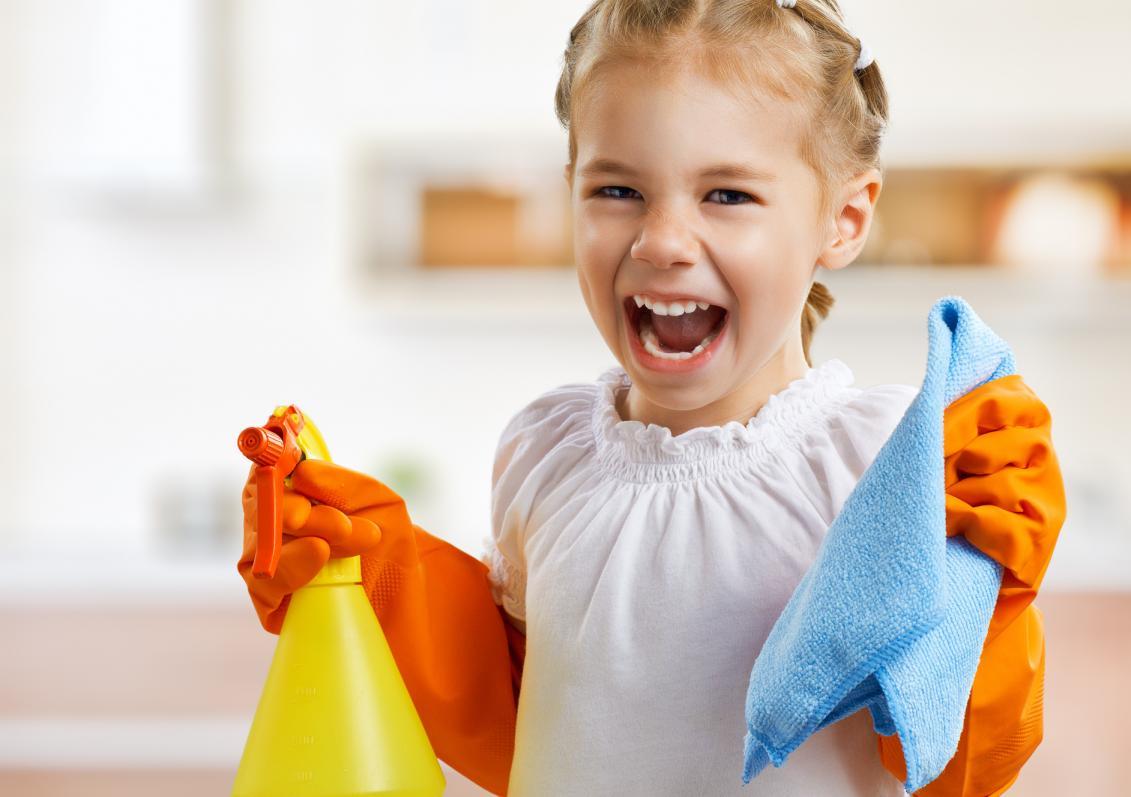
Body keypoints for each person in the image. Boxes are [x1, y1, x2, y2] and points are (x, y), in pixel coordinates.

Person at [239, 2, 1063, 795]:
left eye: (727, 195)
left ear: (842, 220)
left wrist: (990, 593)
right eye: (617, 191)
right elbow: (522, 720)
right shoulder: (542, 450)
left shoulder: (894, 466)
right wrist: (375, 569)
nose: (662, 241)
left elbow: (951, 764)